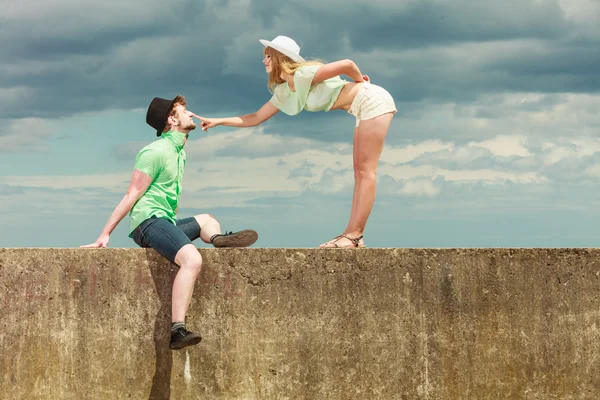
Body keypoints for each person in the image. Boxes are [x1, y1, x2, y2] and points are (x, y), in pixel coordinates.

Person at [82, 95, 258, 350]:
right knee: (192, 259)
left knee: (208, 220)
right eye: (184, 111)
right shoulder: (155, 151)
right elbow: (132, 194)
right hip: (148, 222)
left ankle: (218, 239)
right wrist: (104, 234)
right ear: (171, 119)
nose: (191, 114)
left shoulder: (179, 152)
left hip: (165, 221)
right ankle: (177, 330)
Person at [195, 36, 396, 248]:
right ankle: (352, 235)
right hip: (361, 107)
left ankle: (354, 236)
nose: (264, 61)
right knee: (360, 171)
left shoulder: (302, 74)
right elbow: (255, 117)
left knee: (365, 171)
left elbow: (347, 64)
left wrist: (360, 82)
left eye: (268, 56)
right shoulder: (285, 90)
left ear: (281, 58)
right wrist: (219, 121)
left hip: (372, 100)